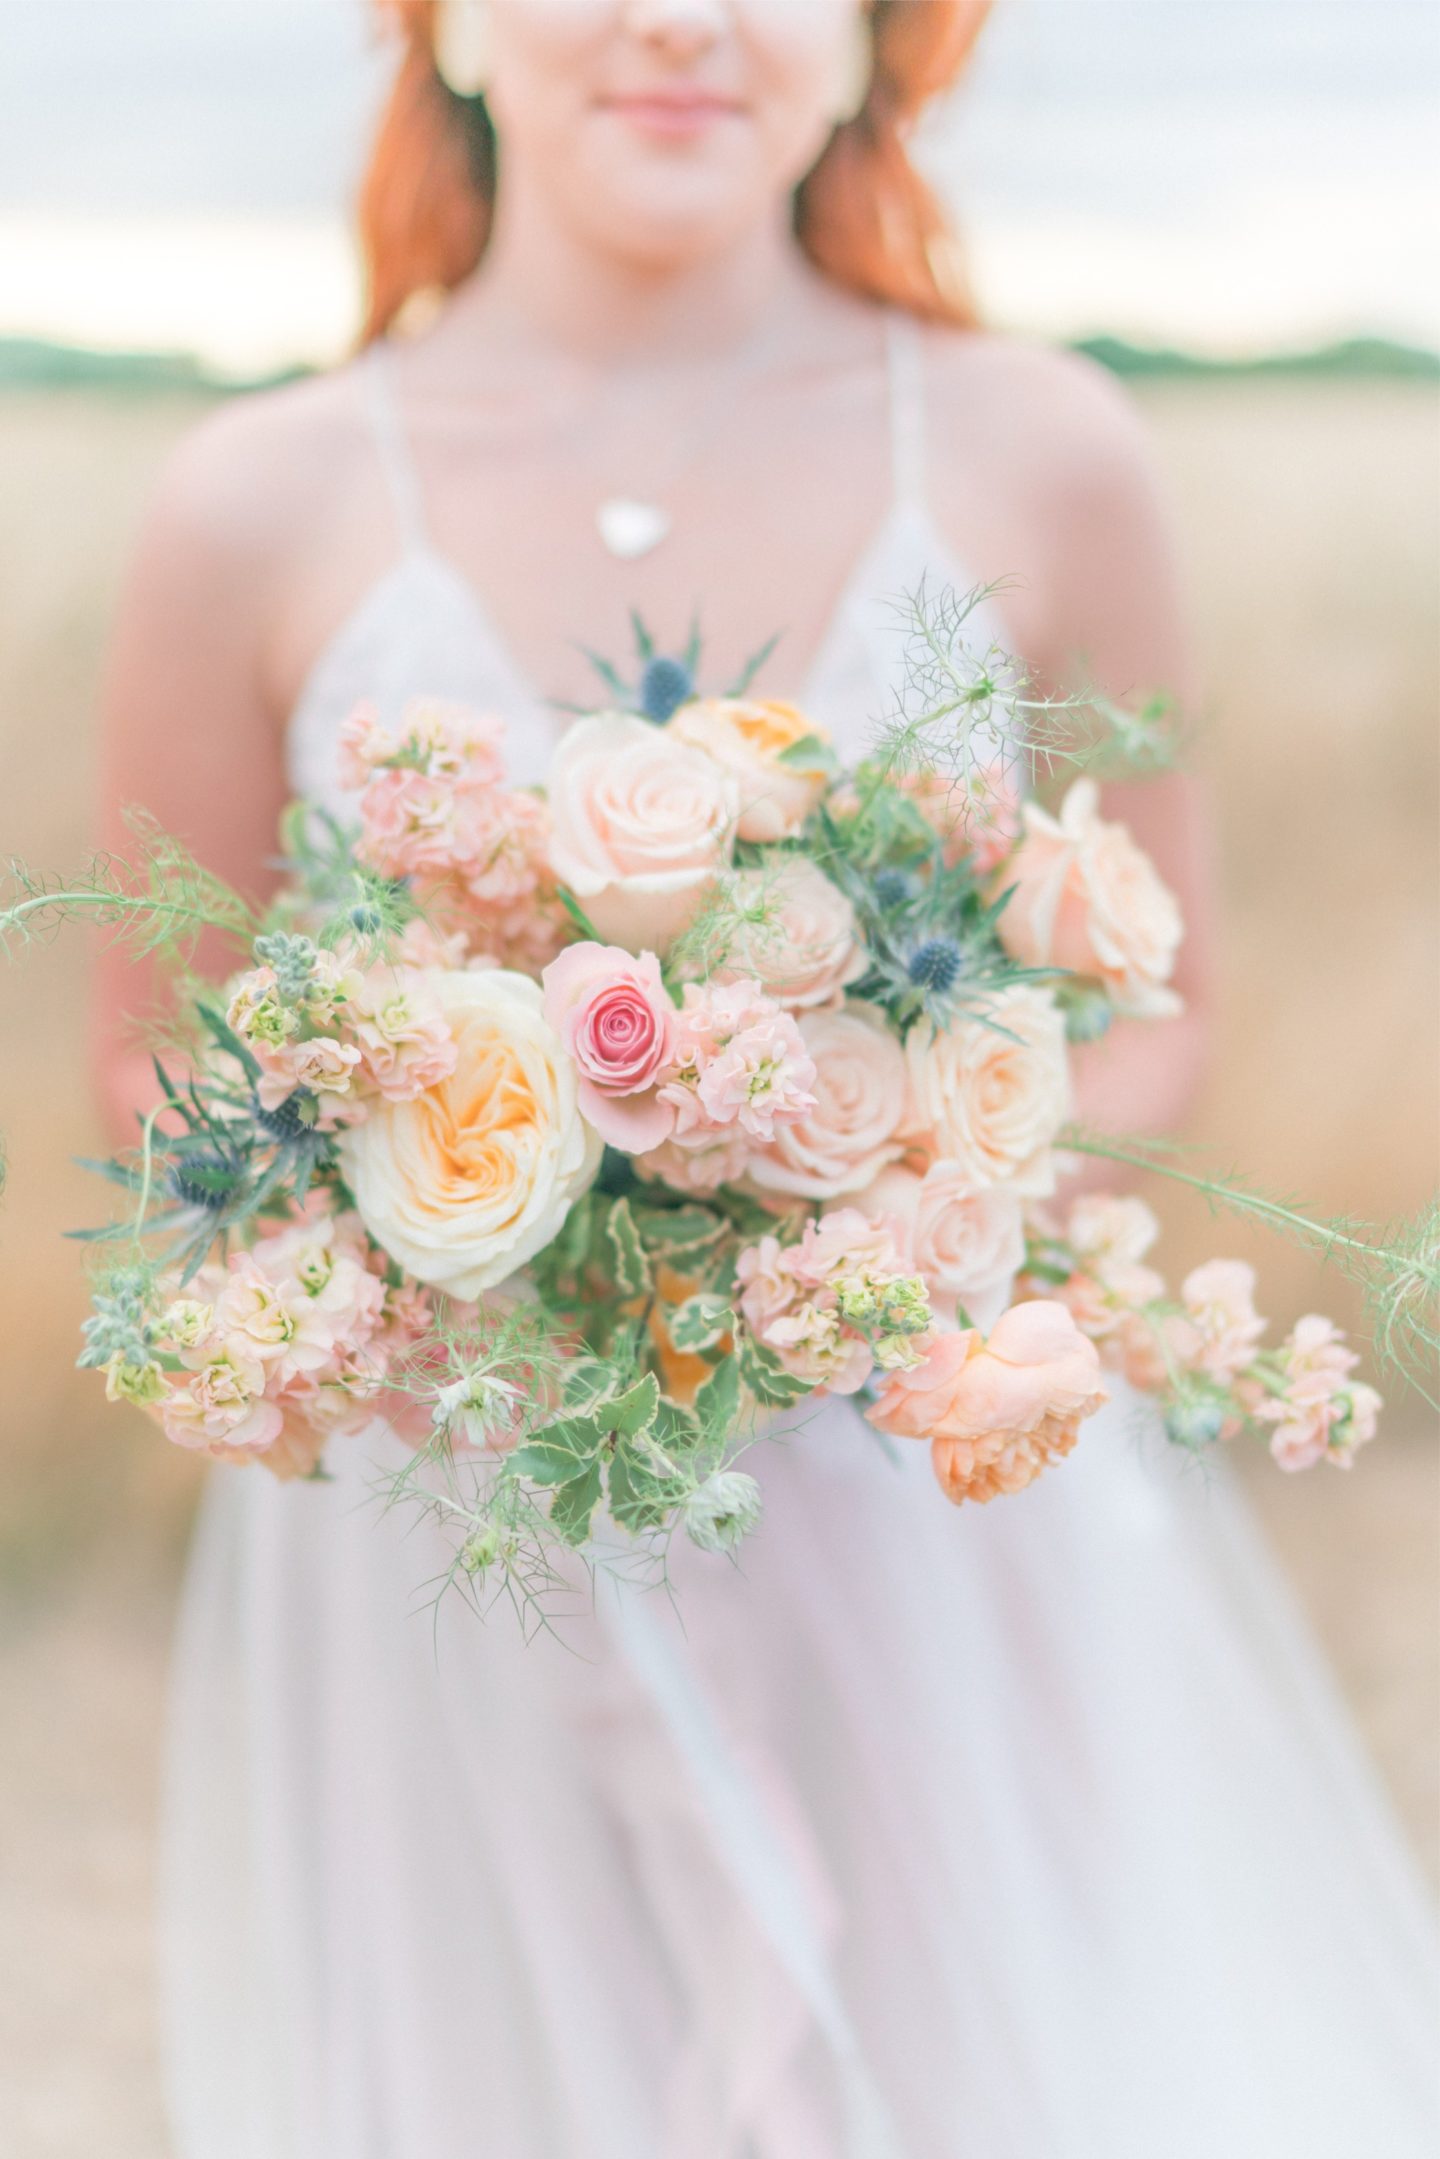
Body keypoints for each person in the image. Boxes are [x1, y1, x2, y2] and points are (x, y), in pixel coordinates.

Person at [95, 5, 1438, 2154]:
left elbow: (1166, 999)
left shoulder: (1044, 454)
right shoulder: (251, 500)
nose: (680, 20)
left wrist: (892, 1220)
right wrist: (465, 1266)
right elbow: (159, 1064)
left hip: (927, 1510)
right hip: (474, 1528)